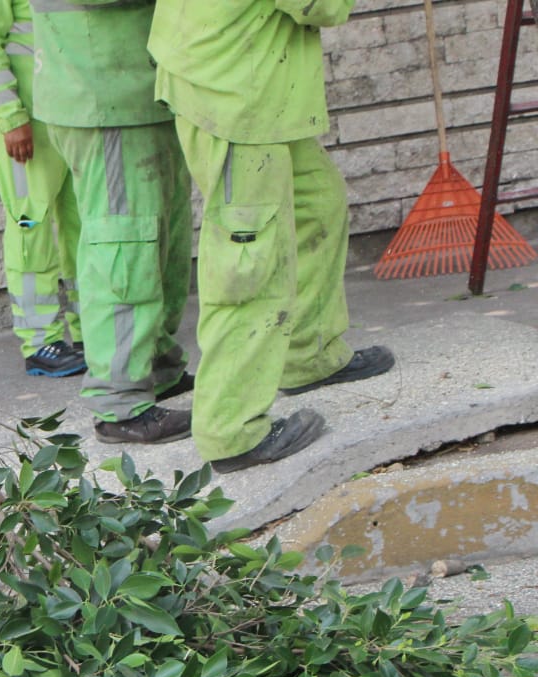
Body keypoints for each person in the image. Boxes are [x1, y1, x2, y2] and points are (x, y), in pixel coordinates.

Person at [149, 1, 395, 473]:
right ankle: (231, 431)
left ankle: (309, 354)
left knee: (317, 203)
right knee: (249, 263)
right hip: (231, 93)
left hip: (255, 80)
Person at [31, 0, 196, 443]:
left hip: (132, 89)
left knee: (159, 243)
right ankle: (120, 402)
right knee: (124, 246)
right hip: (104, 93)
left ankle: (154, 367)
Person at [0, 0, 86, 378]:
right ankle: (40, 341)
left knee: (81, 224)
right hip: (27, 120)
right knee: (30, 225)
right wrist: (11, 118)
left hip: (70, 111)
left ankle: (89, 331)